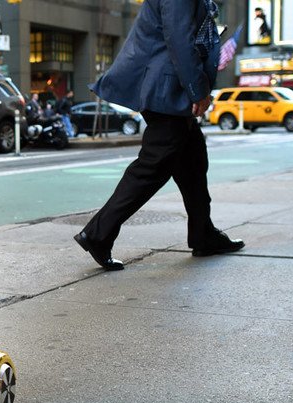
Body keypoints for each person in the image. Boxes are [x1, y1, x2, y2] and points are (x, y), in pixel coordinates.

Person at [73, 0, 244, 271]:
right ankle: (97, 233)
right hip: (166, 88)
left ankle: (203, 234)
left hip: (168, 87)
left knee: (193, 162)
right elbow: (178, 36)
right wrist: (197, 89)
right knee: (153, 166)